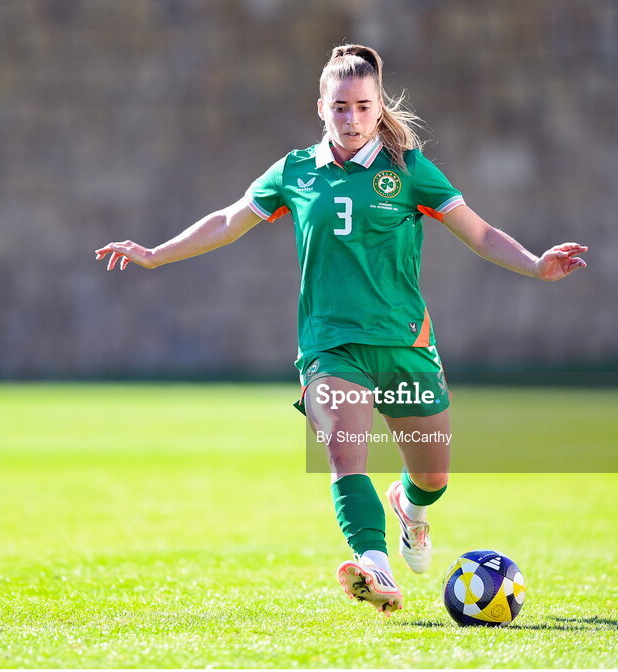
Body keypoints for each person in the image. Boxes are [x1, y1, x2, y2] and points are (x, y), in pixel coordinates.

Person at [95, 44, 587, 616]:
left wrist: (533, 263)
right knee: (345, 457)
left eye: (361, 106)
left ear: (378, 108)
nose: (350, 118)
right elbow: (230, 220)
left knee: (434, 476)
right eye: (340, 106)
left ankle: (411, 508)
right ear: (321, 107)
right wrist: (155, 254)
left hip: (405, 343)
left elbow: (479, 233)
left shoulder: (409, 171)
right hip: (329, 344)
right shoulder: (294, 171)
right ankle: (374, 566)